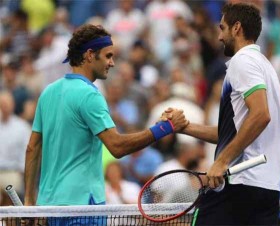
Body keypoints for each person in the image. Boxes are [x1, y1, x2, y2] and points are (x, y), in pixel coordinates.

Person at [24, 24, 188, 225]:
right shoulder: (90, 95)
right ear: (90, 55)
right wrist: (164, 128)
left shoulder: (48, 92)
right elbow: (117, 146)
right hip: (82, 209)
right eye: (108, 56)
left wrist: (29, 200)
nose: (112, 63)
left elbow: (32, 148)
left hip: (47, 207)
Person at [164, 3, 280, 225]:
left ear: (236, 28)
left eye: (222, 28)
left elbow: (261, 116)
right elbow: (238, 132)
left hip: (239, 184)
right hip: (267, 190)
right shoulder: (266, 66)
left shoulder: (242, 60)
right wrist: (186, 127)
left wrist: (222, 160)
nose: (219, 36)